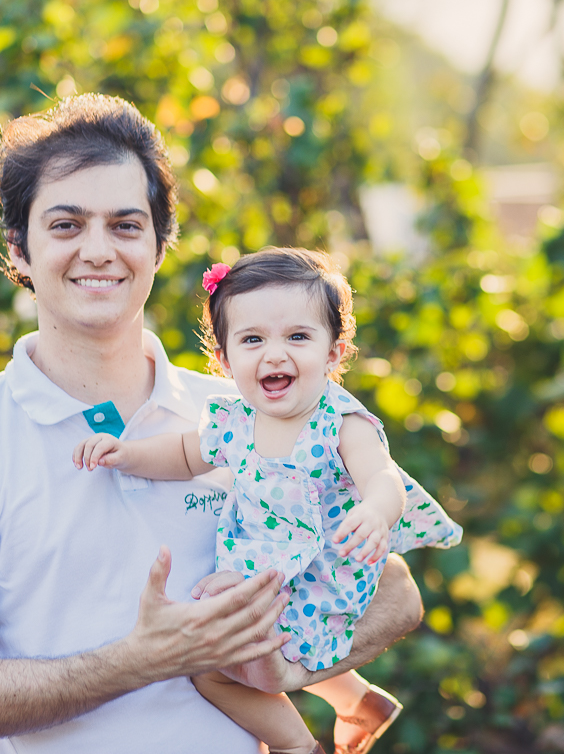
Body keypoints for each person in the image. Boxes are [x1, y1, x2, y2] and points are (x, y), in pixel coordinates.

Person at [0, 93, 426, 753]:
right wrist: (146, 658)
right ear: (18, 248)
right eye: (66, 225)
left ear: (161, 244)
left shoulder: (245, 414)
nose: (98, 250)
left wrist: (283, 667)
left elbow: (394, 590)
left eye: (126, 225)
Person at [74, 248, 463, 754]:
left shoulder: (339, 423)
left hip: (323, 570)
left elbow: (382, 477)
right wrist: (127, 454)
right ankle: (359, 703)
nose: (274, 354)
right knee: (233, 642)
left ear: (334, 354)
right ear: (224, 358)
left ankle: (296, 746)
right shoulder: (232, 422)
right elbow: (185, 455)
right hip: (268, 568)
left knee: (215, 667)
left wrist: (374, 511)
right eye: (253, 339)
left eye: (298, 337)